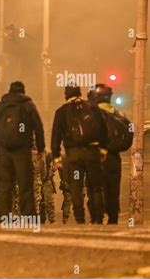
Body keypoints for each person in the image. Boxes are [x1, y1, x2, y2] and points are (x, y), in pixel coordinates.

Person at [0, 81, 45, 219]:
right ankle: (28, 216)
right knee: (25, 184)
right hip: (23, 150)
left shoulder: (0, 106)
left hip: (4, 150)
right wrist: (41, 148)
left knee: (5, 185)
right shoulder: (28, 105)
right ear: (23, 91)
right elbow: (38, 127)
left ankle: (5, 216)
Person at [51, 85, 109, 224]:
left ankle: (80, 219)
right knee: (95, 186)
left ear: (66, 95)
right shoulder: (93, 107)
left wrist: (57, 157)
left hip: (74, 155)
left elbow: (56, 136)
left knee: (76, 186)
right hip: (92, 152)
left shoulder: (61, 112)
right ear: (79, 94)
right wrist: (103, 150)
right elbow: (103, 129)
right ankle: (98, 218)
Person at [87, 84, 133, 224]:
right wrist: (114, 148)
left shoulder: (90, 115)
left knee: (95, 188)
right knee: (113, 190)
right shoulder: (121, 116)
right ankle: (113, 220)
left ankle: (97, 219)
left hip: (96, 157)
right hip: (114, 158)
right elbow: (129, 136)